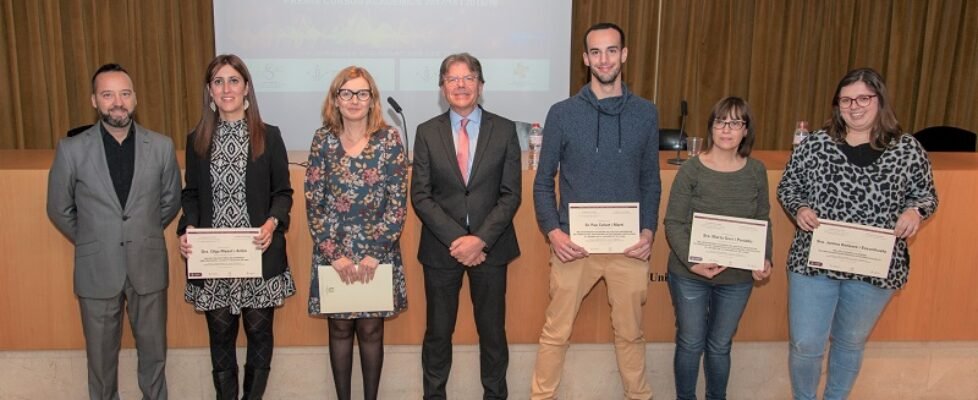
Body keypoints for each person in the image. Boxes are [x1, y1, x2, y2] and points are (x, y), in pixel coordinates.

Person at [777, 67, 938, 400]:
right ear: (837, 105)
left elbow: (926, 194)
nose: (854, 106)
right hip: (815, 262)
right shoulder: (817, 144)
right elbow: (789, 186)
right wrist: (800, 209)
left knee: (850, 342)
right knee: (806, 342)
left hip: (874, 266)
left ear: (880, 100)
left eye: (863, 98)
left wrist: (914, 211)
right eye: (846, 99)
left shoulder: (907, 149)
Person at [531, 22, 661, 400]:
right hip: (574, 245)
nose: (604, 59)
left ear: (624, 54)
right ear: (586, 58)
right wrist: (554, 233)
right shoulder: (562, 113)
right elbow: (543, 181)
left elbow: (651, 181)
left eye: (611, 50)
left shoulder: (646, 114)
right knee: (555, 332)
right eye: (596, 52)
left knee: (632, 335)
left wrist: (648, 231)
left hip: (629, 248)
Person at [47, 63, 181, 400]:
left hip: (147, 266)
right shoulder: (71, 150)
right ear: (94, 100)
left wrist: (141, 232)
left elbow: (169, 202)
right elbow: (59, 209)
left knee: (154, 357)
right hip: (97, 269)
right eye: (107, 94)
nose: (117, 102)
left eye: (124, 93)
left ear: (135, 99)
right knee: (101, 363)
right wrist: (94, 238)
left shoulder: (162, 147)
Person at [177, 54, 296, 400]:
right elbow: (192, 195)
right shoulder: (197, 138)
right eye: (218, 81)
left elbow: (283, 193)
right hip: (214, 260)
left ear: (246, 88)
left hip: (258, 256)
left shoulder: (269, 136)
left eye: (233, 80)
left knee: (259, 337)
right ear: (209, 91)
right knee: (220, 339)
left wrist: (273, 222)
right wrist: (187, 231)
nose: (226, 88)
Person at [411, 52, 522, 400]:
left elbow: (511, 195)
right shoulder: (426, 132)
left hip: (492, 248)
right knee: (438, 334)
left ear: (481, 85)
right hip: (441, 250)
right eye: (452, 79)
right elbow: (421, 196)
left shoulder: (504, 130)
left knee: (492, 333)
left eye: (468, 78)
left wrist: (480, 241)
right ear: (442, 88)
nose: (460, 85)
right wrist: (459, 239)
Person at [304, 66, 409, 400]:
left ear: (372, 99)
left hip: (376, 253)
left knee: (371, 328)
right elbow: (313, 201)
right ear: (336, 99)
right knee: (338, 327)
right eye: (346, 93)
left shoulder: (389, 139)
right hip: (333, 254)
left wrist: (374, 253)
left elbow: (397, 201)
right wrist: (334, 254)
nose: (354, 100)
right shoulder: (322, 139)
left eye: (362, 93)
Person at [663, 97, 773, 400]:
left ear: (746, 130)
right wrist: (692, 262)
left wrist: (765, 257)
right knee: (690, 342)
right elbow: (673, 223)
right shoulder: (691, 170)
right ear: (711, 127)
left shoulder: (756, 172)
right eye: (720, 121)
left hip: (737, 278)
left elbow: (762, 219)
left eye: (735, 122)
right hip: (690, 274)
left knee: (720, 345)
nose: (727, 129)